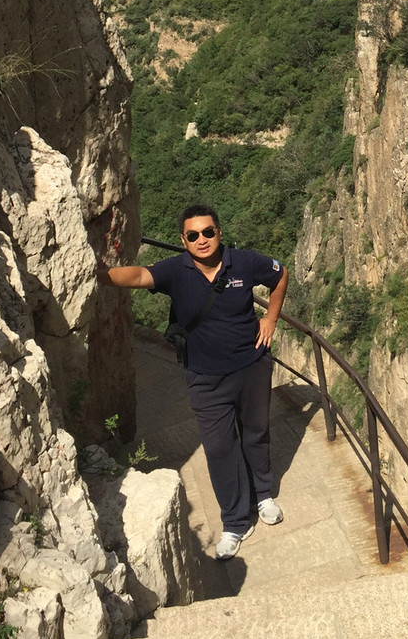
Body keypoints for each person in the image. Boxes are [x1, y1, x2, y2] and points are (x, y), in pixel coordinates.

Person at [98, 204, 289, 560]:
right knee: (219, 449)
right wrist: (100, 275)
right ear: (182, 240)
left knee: (255, 433)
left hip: (251, 366)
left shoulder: (244, 262)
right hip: (205, 379)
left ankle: (263, 494)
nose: (202, 240)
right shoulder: (176, 271)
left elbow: (280, 275)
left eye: (208, 232)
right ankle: (234, 521)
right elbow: (139, 276)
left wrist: (271, 319)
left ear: (219, 232)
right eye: (193, 235)